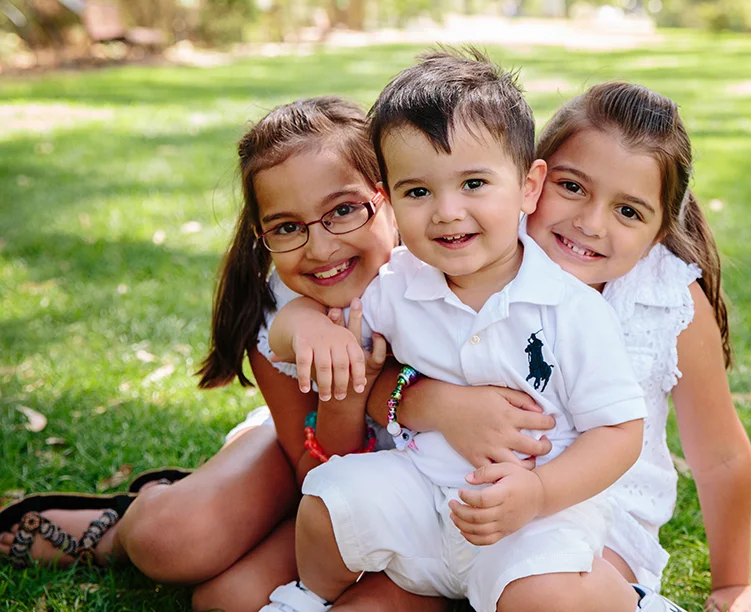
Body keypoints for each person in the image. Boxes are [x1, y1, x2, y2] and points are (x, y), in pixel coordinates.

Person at [0, 96, 453, 612]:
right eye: (287, 227)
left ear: (389, 196)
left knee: (227, 601)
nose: (320, 248)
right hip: (314, 463)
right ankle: (126, 526)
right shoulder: (276, 315)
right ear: (263, 235)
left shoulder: (451, 273)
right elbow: (314, 474)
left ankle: (266, 532)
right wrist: (341, 397)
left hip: (423, 499)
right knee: (169, 541)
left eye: (344, 210)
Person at [263, 50, 663, 612]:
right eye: (418, 192)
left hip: (531, 515)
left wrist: (539, 493)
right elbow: (290, 333)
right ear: (389, 199)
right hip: (423, 492)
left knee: (540, 594)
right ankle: (308, 597)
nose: (447, 212)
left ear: (529, 187)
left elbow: (619, 432)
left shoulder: (570, 309)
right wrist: (306, 326)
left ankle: (633, 603)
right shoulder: (396, 284)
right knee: (330, 501)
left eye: (473, 183)